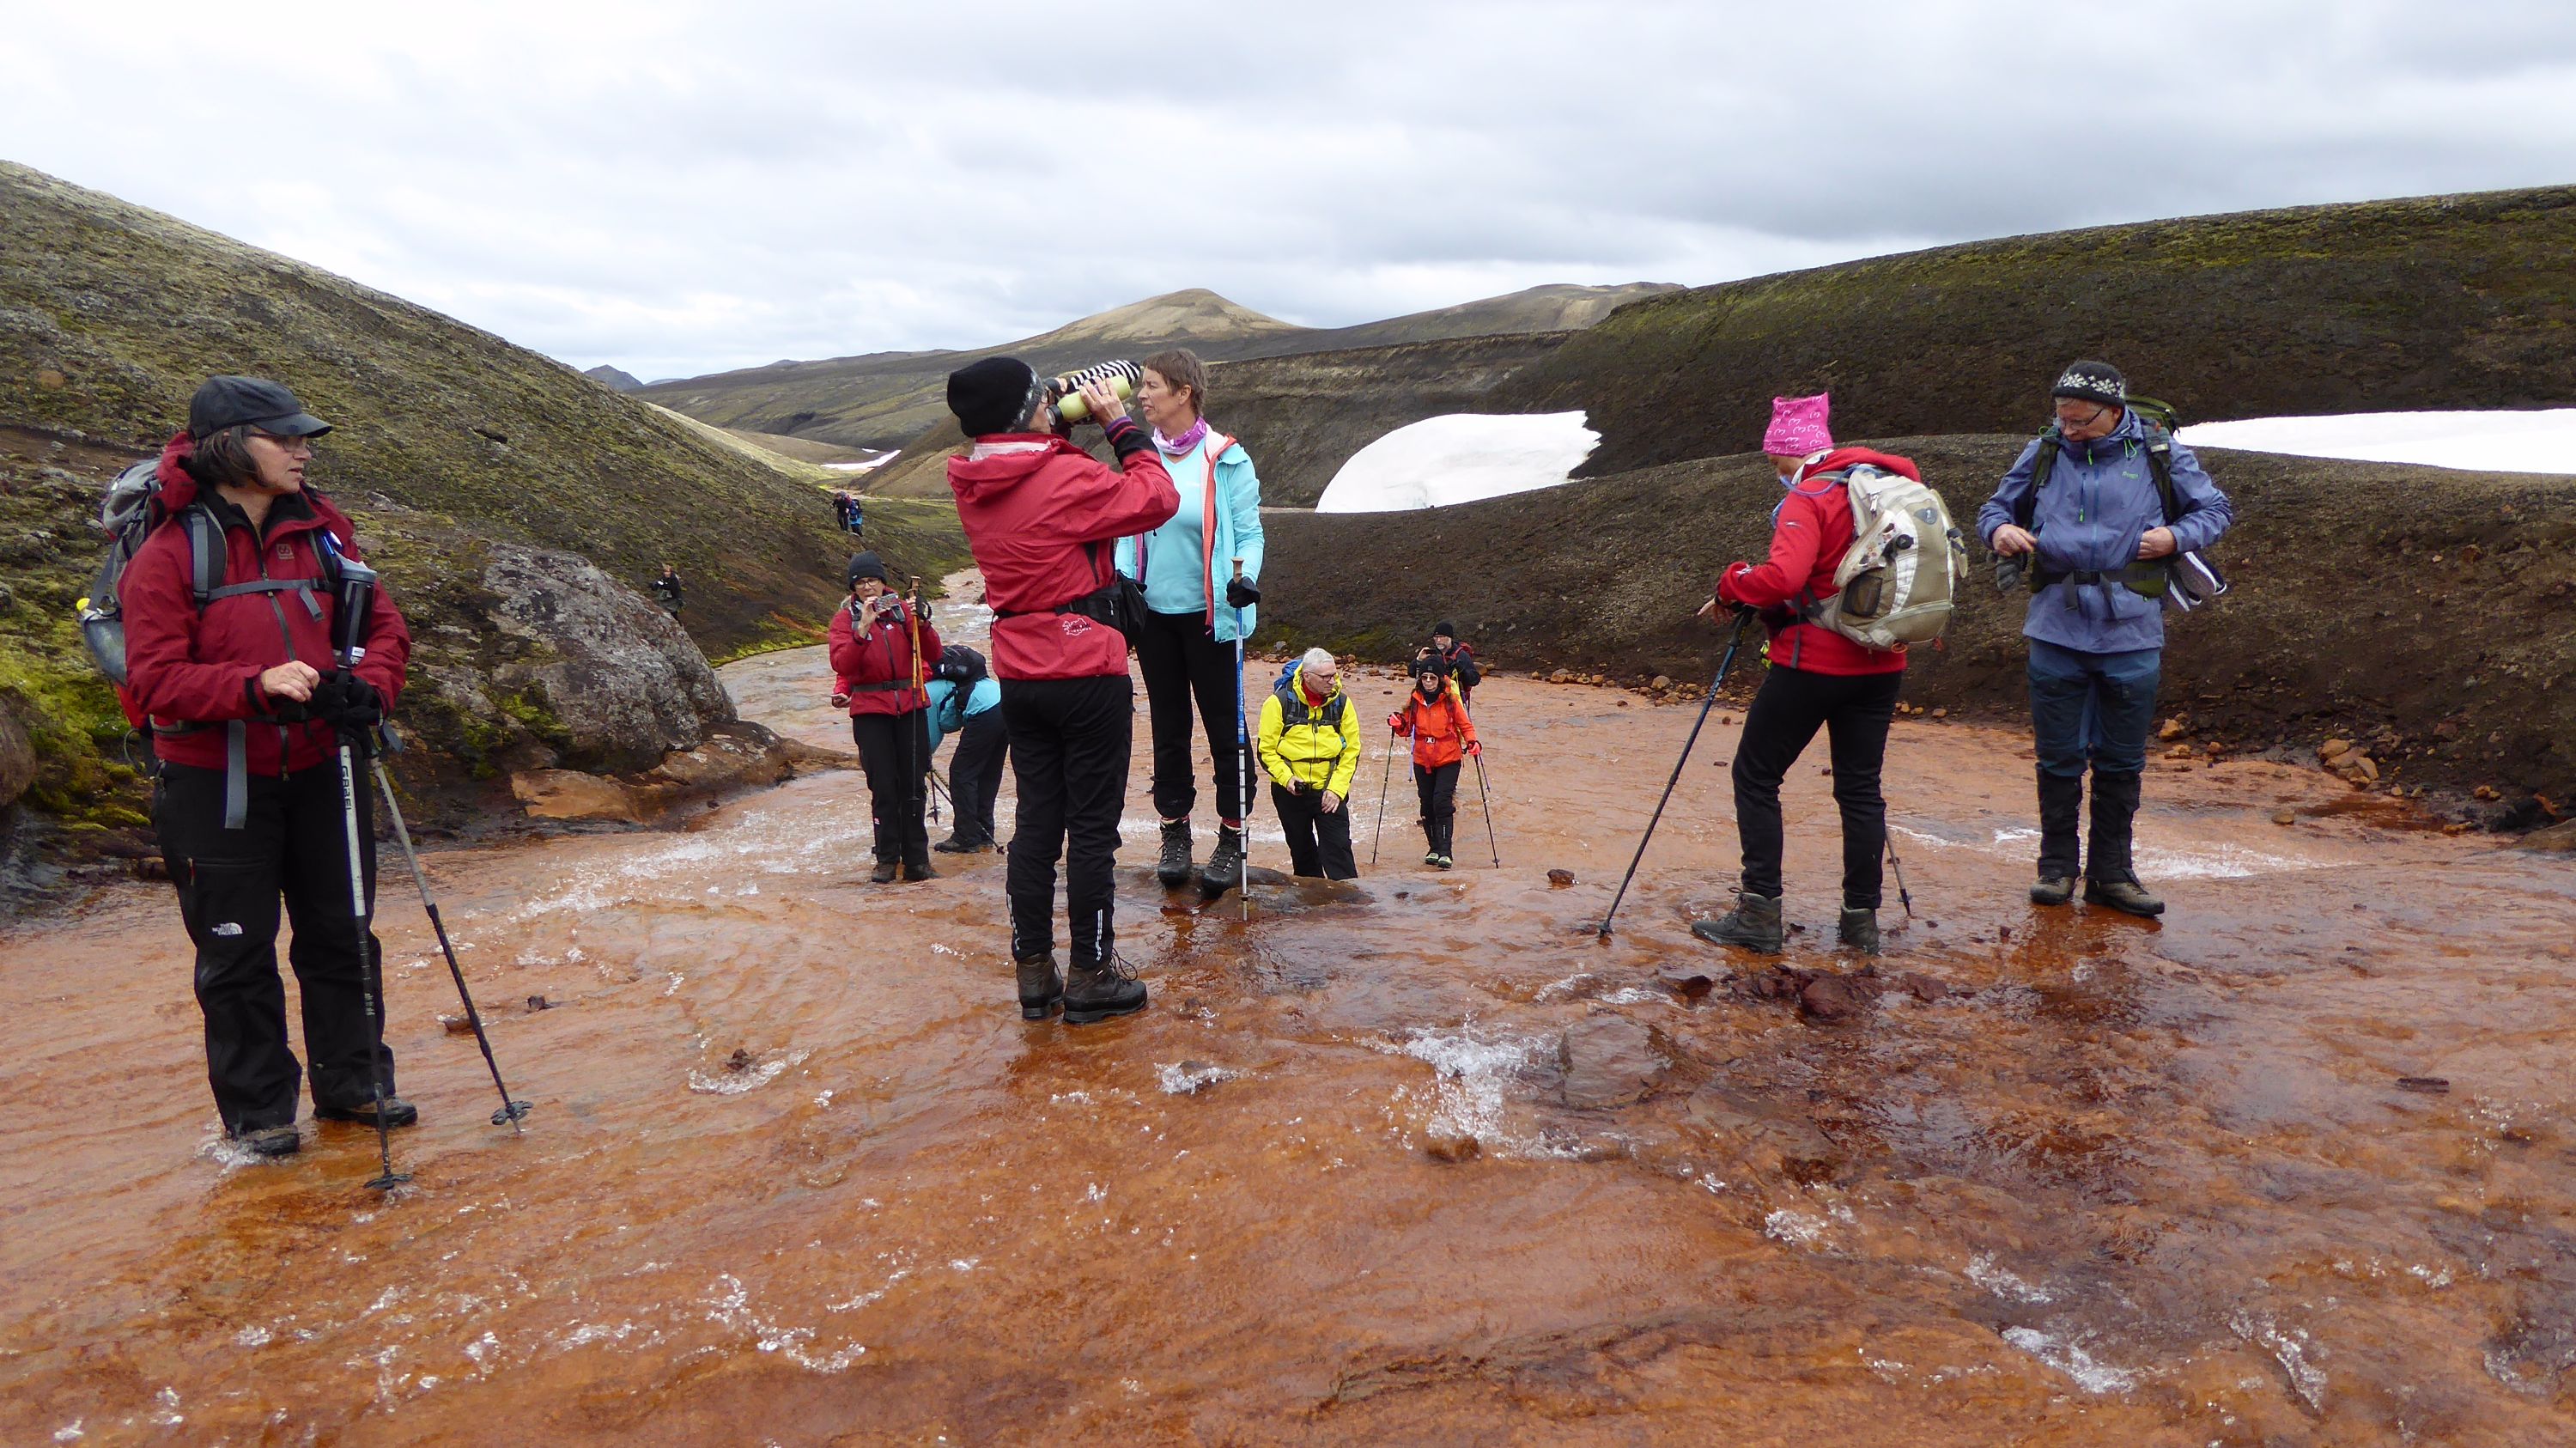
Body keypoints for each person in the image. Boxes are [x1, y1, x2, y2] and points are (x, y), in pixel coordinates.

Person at [122, 375, 414, 1159]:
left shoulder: (326, 533)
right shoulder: (168, 554)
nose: (300, 450)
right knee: (237, 951)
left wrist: (369, 689)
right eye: (281, 437)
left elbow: (384, 629)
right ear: (227, 447)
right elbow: (152, 679)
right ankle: (259, 1115)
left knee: (342, 934)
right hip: (214, 784)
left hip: (325, 766)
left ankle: (355, 1086)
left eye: (302, 437)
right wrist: (254, 688)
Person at [945, 357, 1178, 1023]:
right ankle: (1092, 973)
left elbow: (1034, 484)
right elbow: (1157, 498)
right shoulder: (1063, 475)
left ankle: (1034, 971)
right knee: (1092, 829)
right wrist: (1119, 424)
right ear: (1026, 412)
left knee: (1037, 825)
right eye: (1040, 399)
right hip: (1086, 670)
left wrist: (1048, 428)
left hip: (1020, 673)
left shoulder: (973, 479)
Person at [1978, 361, 2233, 916]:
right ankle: (2056, 868)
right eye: (2061, 418)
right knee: (2058, 758)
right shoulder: (2044, 451)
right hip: (2055, 628)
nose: (2067, 429)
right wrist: (2000, 530)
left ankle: (2112, 875)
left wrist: (2174, 537)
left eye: (2078, 421)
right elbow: (1994, 510)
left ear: (2114, 412)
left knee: (2121, 761)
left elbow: (2216, 511)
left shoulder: (2160, 453)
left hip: (2132, 632)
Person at [1691, 392, 1917, 956]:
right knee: (1860, 789)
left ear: (1789, 454)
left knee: (1755, 775)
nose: (1775, 470)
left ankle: (1759, 914)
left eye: (1775, 460)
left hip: (1814, 662)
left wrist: (1731, 583)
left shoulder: (1810, 496)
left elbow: (1782, 579)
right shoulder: (1890, 487)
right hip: (1883, 662)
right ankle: (1860, 923)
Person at [1113, 349, 1265, 895]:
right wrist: (1122, 580)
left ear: (1184, 393)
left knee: (1226, 728)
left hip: (1212, 617)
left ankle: (1232, 834)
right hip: (1154, 617)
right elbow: (1125, 531)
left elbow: (1250, 533)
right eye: (1142, 386)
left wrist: (1247, 578)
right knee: (1169, 728)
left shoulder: (1226, 458)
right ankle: (1174, 832)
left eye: (1152, 386)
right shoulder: (1141, 457)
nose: (1142, 395)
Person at [828, 551, 942, 884]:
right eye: (860, 583)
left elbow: (933, 653)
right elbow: (842, 665)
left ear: (882, 581)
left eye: (873, 580)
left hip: (910, 706)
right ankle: (887, 860)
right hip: (870, 711)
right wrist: (862, 629)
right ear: (853, 588)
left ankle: (918, 861)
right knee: (884, 787)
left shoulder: (902, 610)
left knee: (914, 785)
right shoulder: (844, 620)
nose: (868, 587)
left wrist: (922, 622)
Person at [1257, 648, 1363, 880]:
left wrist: (1336, 790)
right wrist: (1287, 779)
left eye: (1334, 675)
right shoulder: (1277, 703)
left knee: (1339, 850)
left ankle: (1349, 901)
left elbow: (1352, 751)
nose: (1332, 681)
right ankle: (1310, 901)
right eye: (1325, 677)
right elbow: (1265, 751)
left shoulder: (1342, 703)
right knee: (1302, 852)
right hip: (1290, 791)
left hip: (1329, 789)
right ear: (1307, 676)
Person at [1390, 653, 1479, 868]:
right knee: (1427, 804)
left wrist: (1473, 742)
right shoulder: (1415, 701)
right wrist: (1397, 723)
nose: (1428, 682)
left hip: (1449, 757)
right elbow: (1406, 729)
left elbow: (1465, 725)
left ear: (1440, 679)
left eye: (1432, 678)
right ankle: (1434, 849)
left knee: (1442, 802)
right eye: (1424, 678)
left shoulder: (1450, 701)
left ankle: (1445, 852)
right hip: (1422, 759)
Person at [925, 643, 1006, 854]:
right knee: (988, 774)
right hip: (1004, 703)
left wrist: (923, 760)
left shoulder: (926, 693)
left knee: (961, 774)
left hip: (984, 711)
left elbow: (930, 737)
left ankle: (966, 837)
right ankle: (984, 834)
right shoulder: (955, 681)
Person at [1417, 622, 1481, 708]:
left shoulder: (1461, 655)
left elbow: (1475, 680)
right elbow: (1412, 673)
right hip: (1433, 699)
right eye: (1436, 637)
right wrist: (1418, 660)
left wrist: (1462, 671)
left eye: (1442, 637)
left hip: (1454, 700)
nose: (1438, 640)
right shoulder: (1431, 654)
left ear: (1450, 638)